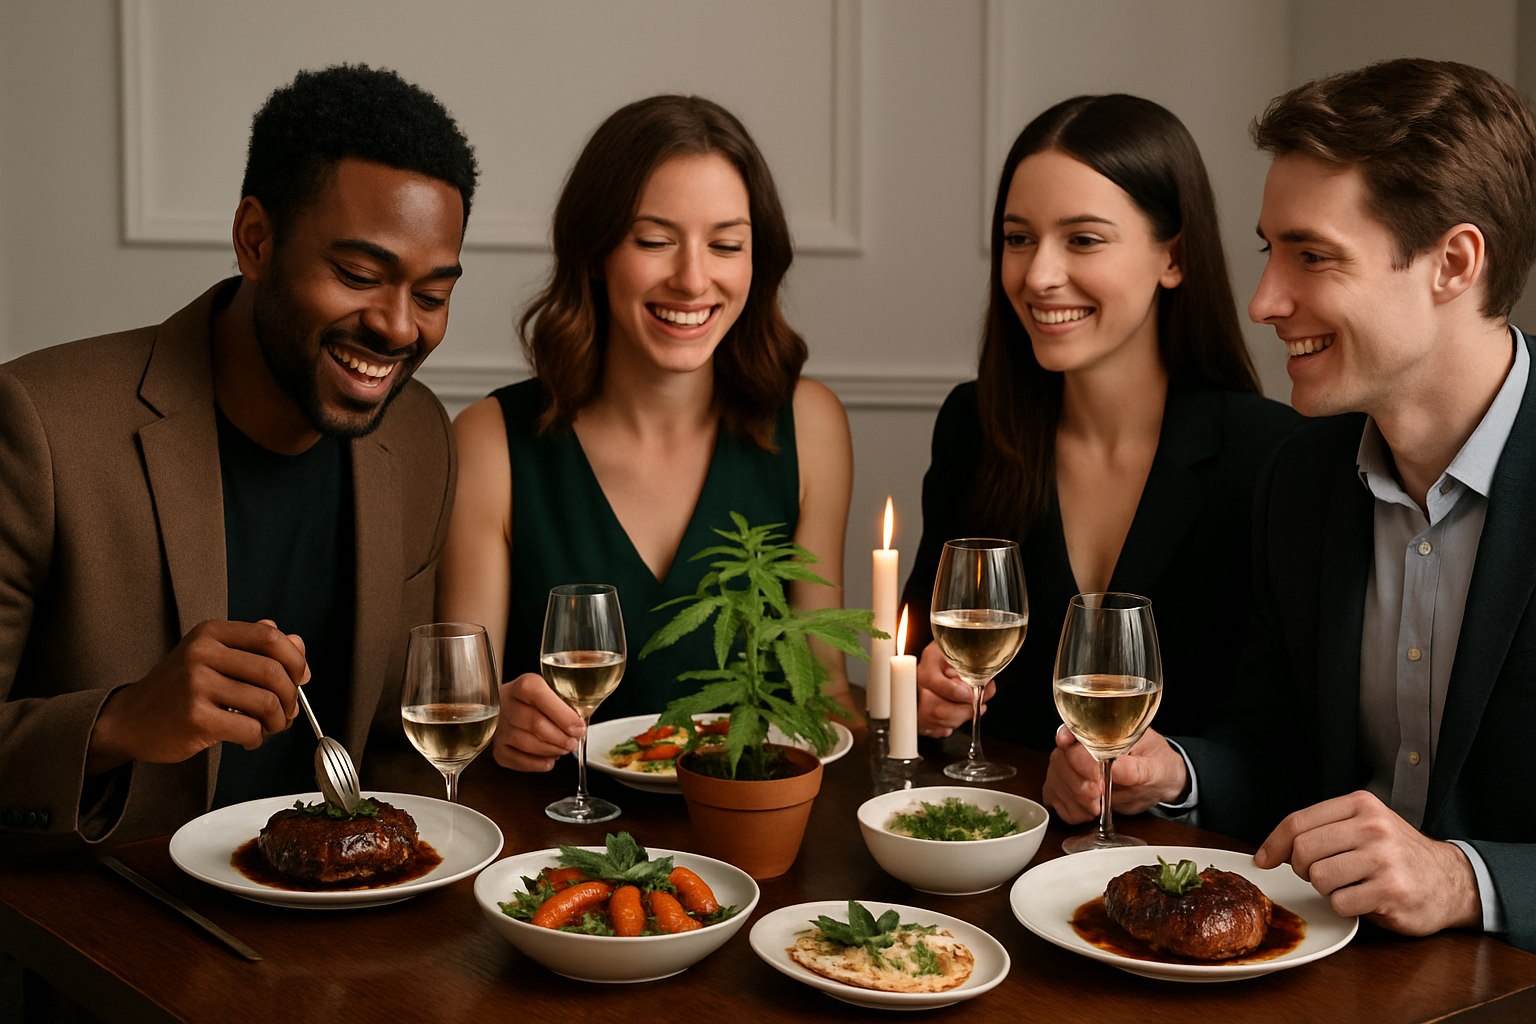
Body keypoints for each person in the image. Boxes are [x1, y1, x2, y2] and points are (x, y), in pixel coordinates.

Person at [1043, 59, 1536, 953]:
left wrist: (1466, 878)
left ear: (1454, 263)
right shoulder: (1300, 476)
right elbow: (1274, 751)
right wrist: (1174, 771)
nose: (1266, 300)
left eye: (1313, 255)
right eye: (1271, 250)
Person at [0, 64, 478, 852]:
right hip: (117, 936)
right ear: (255, 240)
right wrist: (119, 722)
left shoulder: (420, 434)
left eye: (432, 295)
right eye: (359, 275)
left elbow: (398, 745)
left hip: (347, 934)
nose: (399, 328)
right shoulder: (40, 425)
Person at [436, 95, 854, 773]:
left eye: (726, 244)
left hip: (755, 831)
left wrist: (909, 714)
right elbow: (463, 711)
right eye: (654, 240)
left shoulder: (812, 425)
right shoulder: (489, 441)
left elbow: (825, 693)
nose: (693, 279)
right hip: (554, 846)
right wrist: (497, 728)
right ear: (595, 250)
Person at [905, 94, 1299, 751]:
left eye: (1083, 240)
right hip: (997, 836)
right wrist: (924, 690)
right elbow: (921, 654)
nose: (1038, 275)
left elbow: (1282, 739)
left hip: (1181, 849)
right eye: (1018, 239)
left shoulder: (1270, 454)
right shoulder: (972, 424)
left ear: (1173, 258)